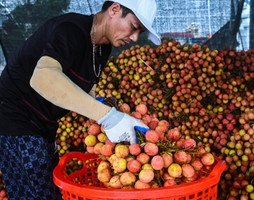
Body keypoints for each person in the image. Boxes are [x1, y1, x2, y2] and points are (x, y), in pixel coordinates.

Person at [0, 0, 161, 199]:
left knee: (51, 190)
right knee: (37, 195)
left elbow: (86, 86)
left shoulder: (103, 48)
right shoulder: (71, 31)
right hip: (16, 120)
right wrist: (108, 117)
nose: (135, 38)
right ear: (114, 9)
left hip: (45, 125)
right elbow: (42, 77)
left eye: (140, 33)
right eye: (134, 27)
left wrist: (109, 110)